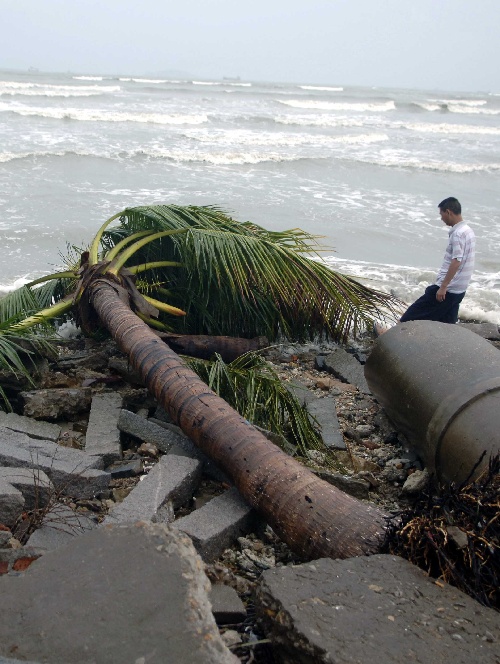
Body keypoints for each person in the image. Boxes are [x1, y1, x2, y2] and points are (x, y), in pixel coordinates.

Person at [375, 197, 475, 334]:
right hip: (460, 288)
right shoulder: (468, 230)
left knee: (414, 312)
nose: (441, 219)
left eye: (442, 214)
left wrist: (443, 286)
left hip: (449, 288)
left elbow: (456, 260)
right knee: (448, 323)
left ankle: (390, 334)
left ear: (449, 212)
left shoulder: (457, 234)